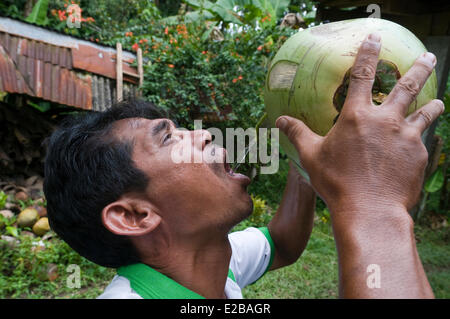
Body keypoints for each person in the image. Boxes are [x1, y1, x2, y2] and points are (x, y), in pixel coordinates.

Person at [43, 33, 443, 299]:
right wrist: (375, 204)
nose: (202, 135)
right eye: (169, 138)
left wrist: (306, 149)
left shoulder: (211, 259)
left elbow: (282, 241)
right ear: (134, 215)